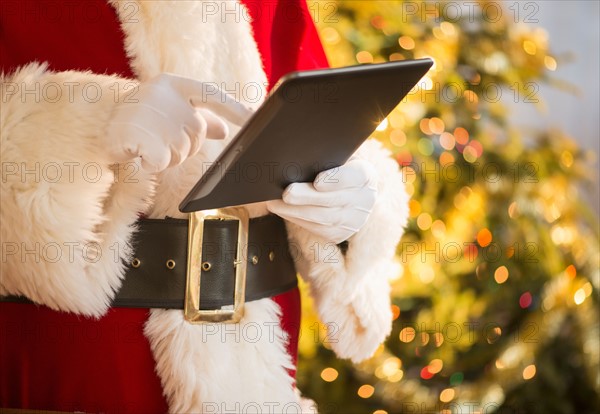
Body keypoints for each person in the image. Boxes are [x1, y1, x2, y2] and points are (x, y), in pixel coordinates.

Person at [0, 0, 409, 412]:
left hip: (256, 361)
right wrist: (84, 125)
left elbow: (316, 102)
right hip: (64, 356)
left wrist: (348, 191)